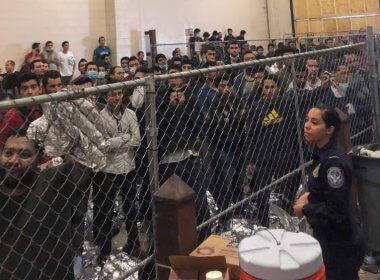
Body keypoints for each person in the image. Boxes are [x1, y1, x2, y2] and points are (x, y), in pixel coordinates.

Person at [0, 129, 92, 280]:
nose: (14, 161)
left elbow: (89, 158)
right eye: (8, 153)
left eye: (24, 155)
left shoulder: (52, 180)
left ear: (38, 158)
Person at [294, 106, 365, 279]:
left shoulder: (334, 163)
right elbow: (323, 189)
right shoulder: (321, 154)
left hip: (339, 242)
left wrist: (305, 209)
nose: (307, 126)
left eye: (314, 122)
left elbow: (336, 211)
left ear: (329, 130)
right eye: (307, 120)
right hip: (329, 237)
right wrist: (310, 195)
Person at [93, 82, 145, 266]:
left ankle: (134, 245)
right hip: (108, 170)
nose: (116, 97)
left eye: (119, 93)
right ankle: (105, 250)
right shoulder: (99, 117)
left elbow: (137, 140)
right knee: (107, 212)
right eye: (112, 94)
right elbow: (101, 144)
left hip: (128, 168)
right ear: (106, 97)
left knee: (131, 210)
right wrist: (125, 138)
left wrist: (115, 141)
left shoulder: (130, 113)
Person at [245, 74, 300, 227]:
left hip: (285, 156)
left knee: (288, 194)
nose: (269, 91)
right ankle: (264, 225)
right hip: (264, 159)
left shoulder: (287, 104)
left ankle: (287, 223)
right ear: (262, 89)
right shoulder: (256, 108)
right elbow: (250, 135)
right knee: (262, 196)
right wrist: (250, 159)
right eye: (266, 87)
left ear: (279, 88)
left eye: (272, 87)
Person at [0, 73, 42, 147]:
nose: (30, 92)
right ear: (18, 92)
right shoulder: (12, 117)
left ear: (40, 89)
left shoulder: (43, 109)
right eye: (24, 88)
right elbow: (2, 144)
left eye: (33, 87)